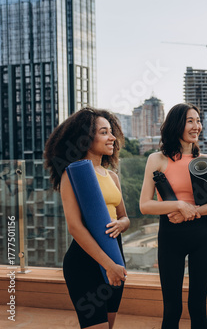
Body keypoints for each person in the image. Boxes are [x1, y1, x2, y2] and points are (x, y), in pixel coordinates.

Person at [139, 103, 207, 329]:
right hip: (170, 235)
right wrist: (179, 204)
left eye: (198, 121)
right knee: (172, 308)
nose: (196, 126)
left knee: (198, 306)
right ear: (176, 124)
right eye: (190, 121)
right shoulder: (157, 159)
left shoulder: (206, 160)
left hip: (201, 235)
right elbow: (145, 205)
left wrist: (193, 211)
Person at [44, 107, 129, 329]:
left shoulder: (112, 176)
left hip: (114, 253)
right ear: (85, 138)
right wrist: (108, 265)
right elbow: (75, 227)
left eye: (111, 132)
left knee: (109, 325)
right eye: (104, 132)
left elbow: (125, 218)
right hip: (85, 262)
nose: (112, 138)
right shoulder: (71, 175)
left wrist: (121, 224)